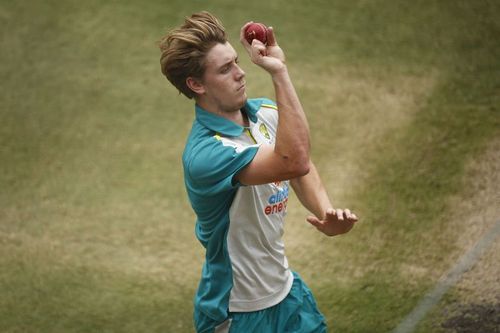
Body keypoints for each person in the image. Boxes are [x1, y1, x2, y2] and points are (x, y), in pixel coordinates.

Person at [159, 11, 358, 333]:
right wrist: (279, 73)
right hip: (237, 312)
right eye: (225, 70)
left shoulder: (264, 113)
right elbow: (292, 161)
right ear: (196, 84)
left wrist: (326, 214)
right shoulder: (207, 154)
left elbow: (302, 168)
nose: (241, 74)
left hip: (286, 291)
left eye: (237, 62)